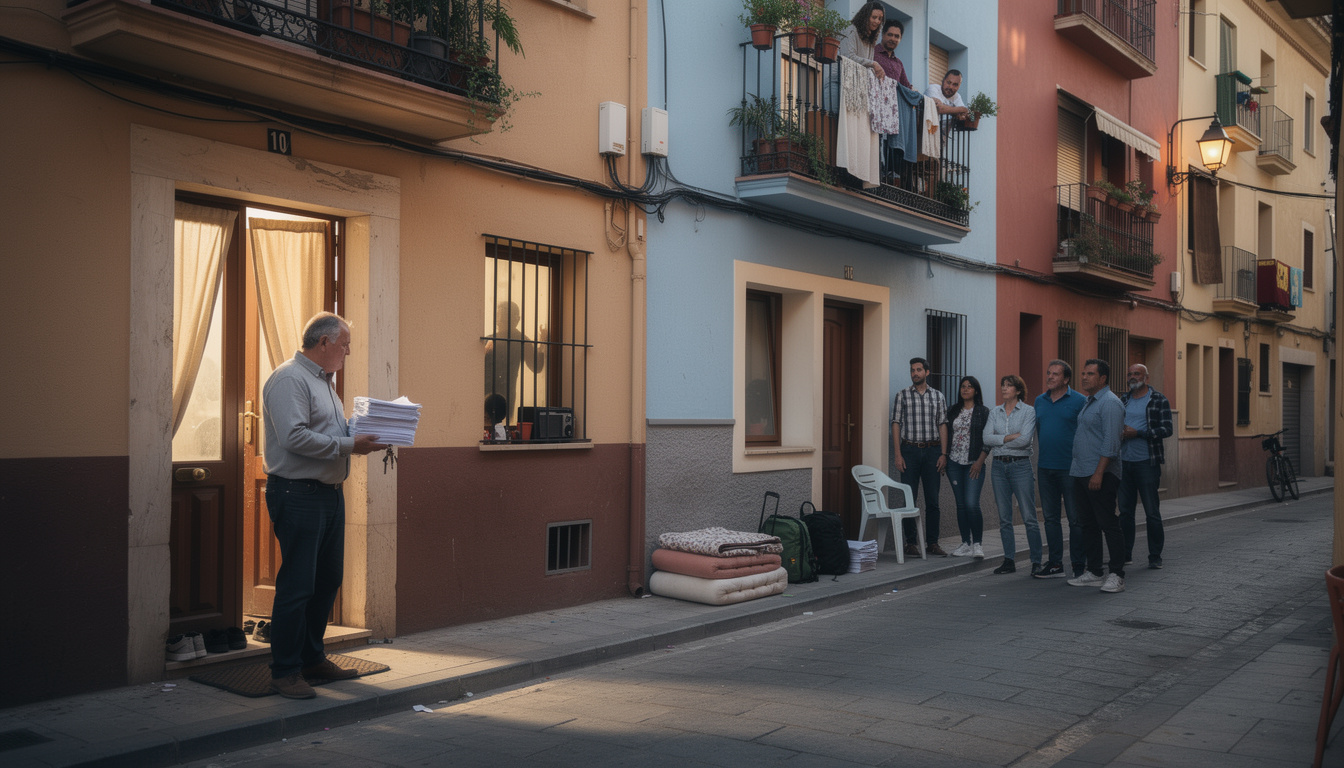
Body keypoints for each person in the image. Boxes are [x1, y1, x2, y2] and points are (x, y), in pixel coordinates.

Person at [262, 312, 389, 699]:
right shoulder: (289, 379)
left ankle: (312, 658)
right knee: (297, 585)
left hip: (329, 494)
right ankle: (284, 671)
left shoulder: (323, 383)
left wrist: (363, 430)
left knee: (327, 580)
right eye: (345, 344)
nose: (348, 351)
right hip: (297, 493)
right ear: (324, 343)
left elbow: (328, 432)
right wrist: (352, 445)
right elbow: (294, 437)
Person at [1067, 359, 1127, 594]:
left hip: (1100, 474)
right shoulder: (1089, 402)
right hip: (1081, 472)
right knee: (1088, 524)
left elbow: (1112, 443)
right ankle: (1094, 571)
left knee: (1108, 524)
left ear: (1102, 378)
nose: (1083, 377)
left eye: (1090, 373)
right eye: (1083, 373)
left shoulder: (1110, 403)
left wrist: (1099, 473)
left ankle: (1117, 574)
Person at [1033, 360, 1087, 579]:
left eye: (1055, 374)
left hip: (1071, 469)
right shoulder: (1039, 401)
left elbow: (1085, 432)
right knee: (1051, 518)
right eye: (1048, 373)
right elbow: (1039, 430)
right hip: (1045, 468)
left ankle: (1078, 564)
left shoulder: (1080, 401)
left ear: (1066, 379)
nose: (1050, 377)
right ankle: (1055, 564)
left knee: (1075, 519)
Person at [983, 375, 1040, 575]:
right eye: (1003, 385)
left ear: (1018, 390)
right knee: (1004, 518)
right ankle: (1009, 560)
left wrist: (1000, 440)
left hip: (1020, 466)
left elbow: (1024, 441)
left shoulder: (1029, 411)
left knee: (1029, 517)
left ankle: (1036, 561)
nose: (1005, 389)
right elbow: (986, 437)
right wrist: (1008, 438)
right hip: (998, 467)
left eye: (1009, 386)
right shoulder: (994, 412)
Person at [1118, 364, 1173, 570]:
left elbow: (1167, 429)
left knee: (1151, 511)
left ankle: (1155, 555)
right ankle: (1125, 554)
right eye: (1130, 374)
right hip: (1123, 463)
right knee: (1125, 512)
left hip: (1147, 463)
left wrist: (1139, 433)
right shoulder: (1123, 400)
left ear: (1146, 378)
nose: (1132, 377)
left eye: (1137, 374)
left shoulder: (1158, 400)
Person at [892, 357, 948, 557]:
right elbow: (896, 423)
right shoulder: (903, 396)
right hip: (910, 451)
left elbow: (942, 424)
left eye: (918, 370)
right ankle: (910, 543)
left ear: (927, 372)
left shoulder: (938, 396)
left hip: (933, 451)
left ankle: (932, 543)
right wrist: (898, 454)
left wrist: (943, 453)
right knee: (909, 499)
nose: (915, 373)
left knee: (933, 500)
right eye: (912, 370)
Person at [944, 376, 989, 559]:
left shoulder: (983, 411)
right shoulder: (953, 410)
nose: (965, 389)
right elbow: (945, 433)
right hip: (954, 463)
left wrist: (979, 461)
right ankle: (965, 543)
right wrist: (944, 456)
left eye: (970, 387)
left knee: (971, 504)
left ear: (976, 391)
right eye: (963, 386)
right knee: (961, 505)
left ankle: (977, 544)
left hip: (974, 463)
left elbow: (988, 439)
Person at [484, 300, 548, 425]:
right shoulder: (491, 339)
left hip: (504, 395)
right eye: (499, 316)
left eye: (504, 317)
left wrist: (542, 344)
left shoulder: (521, 340)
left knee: (498, 425)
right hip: (488, 393)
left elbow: (536, 367)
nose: (500, 320)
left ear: (517, 319)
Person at [840, 2, 886, 82]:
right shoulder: (851, 30)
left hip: (855, 83)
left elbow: (866, 67)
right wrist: (873, 64)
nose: (877, 21)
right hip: (839, 80)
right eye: (874, 17)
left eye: (880, 19)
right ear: (865, 17)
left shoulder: (871, 39)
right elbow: (848, 56)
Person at [873, 19, 912, 89]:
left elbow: (907, 87)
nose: (893, 39)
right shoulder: (872, 53)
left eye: (896, 36)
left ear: (900, 38)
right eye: (890, 35)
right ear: (883, 34)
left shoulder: (898, 64)